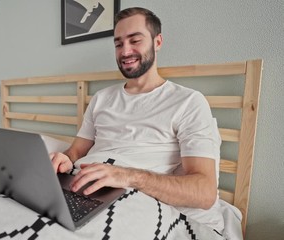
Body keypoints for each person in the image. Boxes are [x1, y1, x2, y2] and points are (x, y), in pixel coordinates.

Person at [50, 7, 224, 232]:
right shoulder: (101, 98)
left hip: (134, 199)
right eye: (118, 43)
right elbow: (76, 152)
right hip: (82, 188)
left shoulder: (188, 102)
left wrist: (127, 176)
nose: (125, 51)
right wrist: (64, 159)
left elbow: (204, 192)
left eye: (135, 41)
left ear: (157, 42)